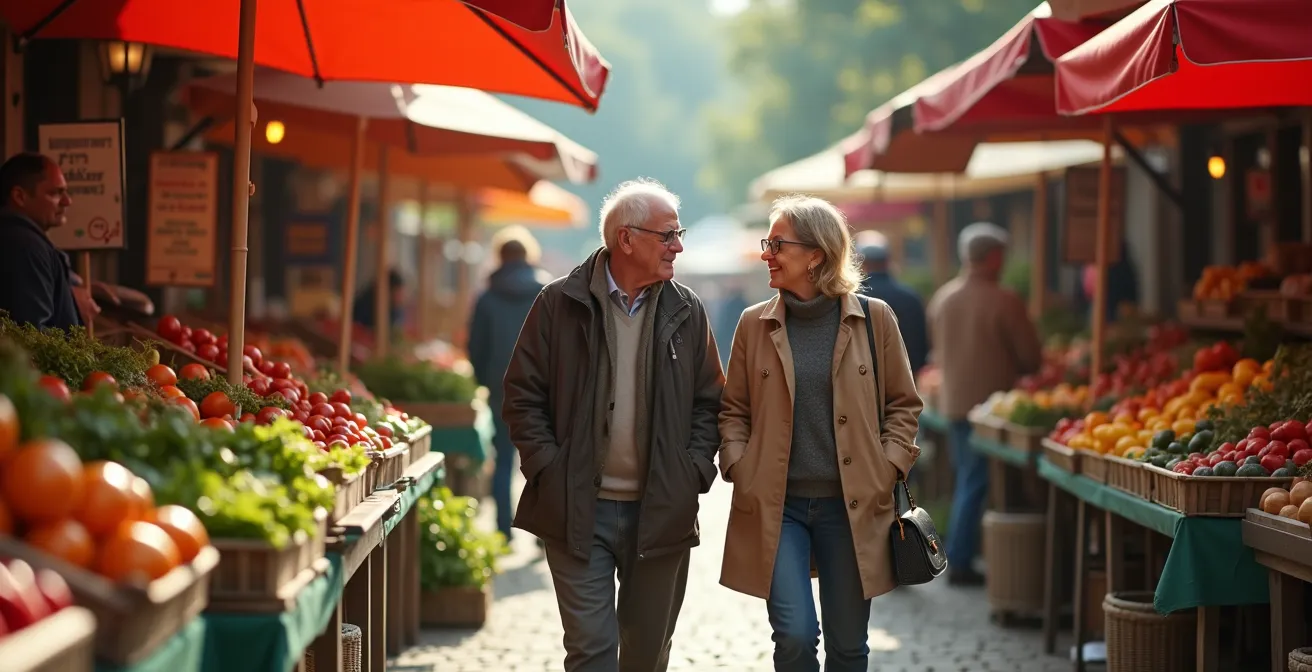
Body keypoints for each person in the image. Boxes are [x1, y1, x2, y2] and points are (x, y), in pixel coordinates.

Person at [502, 178, 724, 672]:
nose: (678, 246)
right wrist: (548, 468)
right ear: (626, 238)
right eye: (667, 235)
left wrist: (692, 472)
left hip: (661, 508)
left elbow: (710, 402)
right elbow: (522, 394)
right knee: (592, 652)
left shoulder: (687, 310)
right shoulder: (557, 303)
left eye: (678, 234)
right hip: (576, 507)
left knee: (646, 656)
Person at [718, 195, 922, 672]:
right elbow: (734, 410)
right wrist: (739, 465)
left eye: (776, 244)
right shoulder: (753, 324)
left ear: (816, 254)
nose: (766, 253)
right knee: (793, 636)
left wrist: (887, 466)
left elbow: (903, 404)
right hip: (776, 506)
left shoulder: (875, 318)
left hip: (852, 507)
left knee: (849, 647)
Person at [926, 222, 1041, 586]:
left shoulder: (943, 297)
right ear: (993, 257)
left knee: (967, 477)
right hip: (993, 408)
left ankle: (965, 552)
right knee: (977, 481)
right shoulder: (1004, 299)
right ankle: (960, 559)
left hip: (954, 402)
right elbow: (1030, 357)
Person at [467, 226, 552, 543]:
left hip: (501, 386)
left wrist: (484, 380)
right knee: (542, 458)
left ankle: (503, 531)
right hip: (543, 387)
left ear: (500, 256)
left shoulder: (487, 297)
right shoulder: (546, 292)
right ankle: (543, 530)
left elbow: (475, 346)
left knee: (502, 458)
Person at [0, 152, 98, 330]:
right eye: (56, 193)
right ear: (20, 196)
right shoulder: (26, 247)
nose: (67, 201)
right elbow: (32, 335)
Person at [856, 234, 928, 374]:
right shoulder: (910, 297)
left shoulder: (852, 298)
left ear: (861, 263)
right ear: (887, 261)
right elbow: (921, 342)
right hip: (905, 374)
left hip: (863, 377)